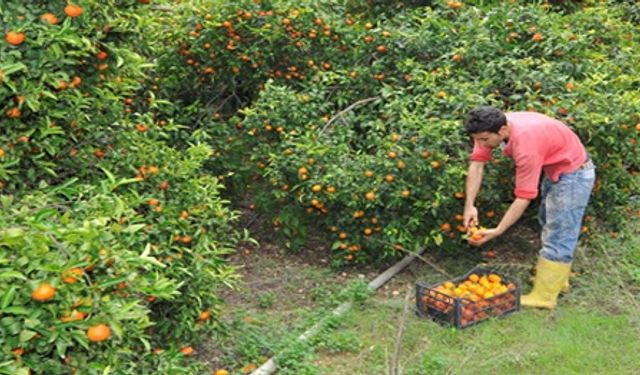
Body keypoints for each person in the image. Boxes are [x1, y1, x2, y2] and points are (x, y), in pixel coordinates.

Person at [462, 106, 595, 309]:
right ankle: (557, 280)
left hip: (574, 173)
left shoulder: (526, 146)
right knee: (548, 221)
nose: (481, 144)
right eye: (477, 139)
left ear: (503, 130)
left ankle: (545, 297)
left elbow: (523, 198)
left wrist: (498, 231)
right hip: (556, 167)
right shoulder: (488, 128)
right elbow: (477, 164)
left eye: (485, 140)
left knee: (559, 231)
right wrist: (469, 205)